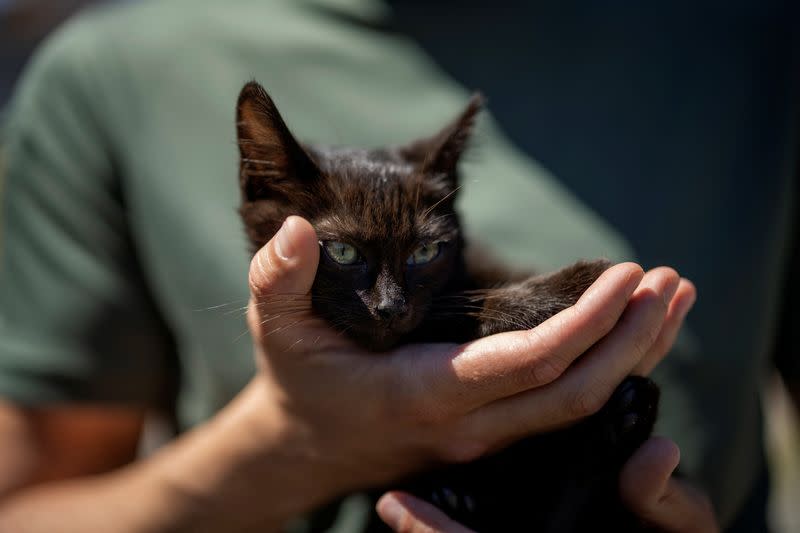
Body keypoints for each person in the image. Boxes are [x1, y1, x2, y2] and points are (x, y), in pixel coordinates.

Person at [0, 0, 788, 531]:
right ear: (262, 194)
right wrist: (296, 440)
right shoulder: (112, 73)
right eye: (342, 255)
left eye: (421, 256)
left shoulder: (752, 36)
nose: (387, 304)